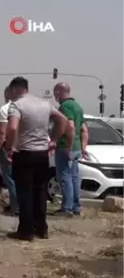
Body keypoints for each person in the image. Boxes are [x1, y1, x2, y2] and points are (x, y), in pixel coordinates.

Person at [4, 77, 68, 241]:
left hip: (24, 153)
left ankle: (25, 231)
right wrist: (53, 140)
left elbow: (12, 127)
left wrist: (10, 147)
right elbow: (63, 119)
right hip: (42, 154)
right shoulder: (44, 104)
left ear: (15, 89)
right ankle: (41, 228)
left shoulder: (17, 105)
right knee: (40, 192)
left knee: (24, 192)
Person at [52, 82, 87, 217]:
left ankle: (67, 208)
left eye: (55, 92)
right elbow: (84, 130)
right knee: (74, 177)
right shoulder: (78, 106)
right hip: (77, 148)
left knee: (65, 177)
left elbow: (70, 127)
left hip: (65, 147)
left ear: (59, 92)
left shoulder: (64, 106)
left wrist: (67, 146)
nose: (55, 95)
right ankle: (76, 207)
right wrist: (83, 148)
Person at [0, 86, 18, 215]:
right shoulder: (24, 107)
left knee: (9, 178)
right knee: (20, 178)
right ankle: (20, 205)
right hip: (24, 148)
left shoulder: (5, 109)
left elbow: (2, 131)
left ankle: (15, 207)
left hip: (8, 148)